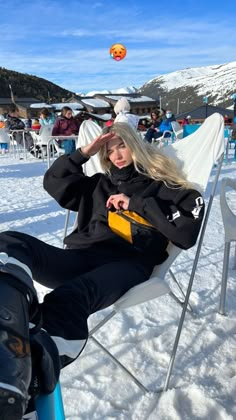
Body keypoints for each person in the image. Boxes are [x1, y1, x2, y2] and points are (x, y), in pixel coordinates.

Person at [0, 122, 205, 418]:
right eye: (109, 150)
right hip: (82, 258)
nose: (116, 154)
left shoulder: (164, 189)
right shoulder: (98, 184)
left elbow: (185, 236)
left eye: (122, 145)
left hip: (127, 264)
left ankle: (28, 374)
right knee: (9, 242)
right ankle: (7, 330)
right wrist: (84, 152)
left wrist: (137, 203)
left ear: (136, 146)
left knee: (69, 298)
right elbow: (54, 181)